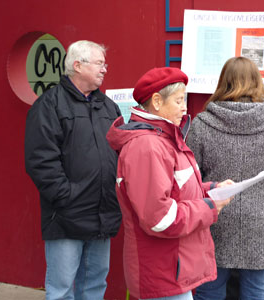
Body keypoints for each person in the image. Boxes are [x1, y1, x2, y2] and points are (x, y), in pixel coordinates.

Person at [106, 67, 233, 300]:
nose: (185, 107)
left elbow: (177, 191)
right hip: (162, 275)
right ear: (156, 101)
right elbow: (160, 218)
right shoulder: (147, 146)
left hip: (171, 271)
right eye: (179, 100)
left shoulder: (162, 139)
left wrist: (211, 190)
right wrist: (209, 207)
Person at [185, 56, 264, 300]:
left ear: (223, 82)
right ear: (257, 82)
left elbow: (188, 178)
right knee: (259, 294)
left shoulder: (202, 124)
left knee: (208, 293)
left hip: (214, 220)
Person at [25, 40, 122, 300]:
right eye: (100, 63)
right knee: (62, 290)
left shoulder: (108, 106)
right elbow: (40, 160)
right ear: (77, 66)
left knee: (94, 287)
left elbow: (120, 153)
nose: (105, 69)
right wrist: (66, 197)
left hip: (102, 213)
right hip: (66, 215)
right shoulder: (49, 105)